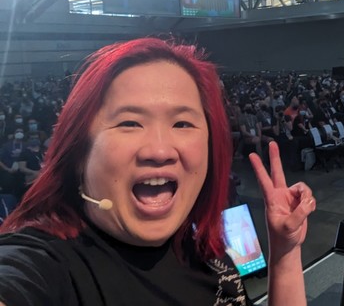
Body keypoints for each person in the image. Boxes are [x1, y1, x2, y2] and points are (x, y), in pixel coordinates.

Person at [0, 38, 315, 305]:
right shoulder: (49, 264)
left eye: (182, 123)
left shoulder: (203, 250)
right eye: (129, 123)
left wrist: (285, 252)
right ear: (79, 151)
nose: (160, 150)